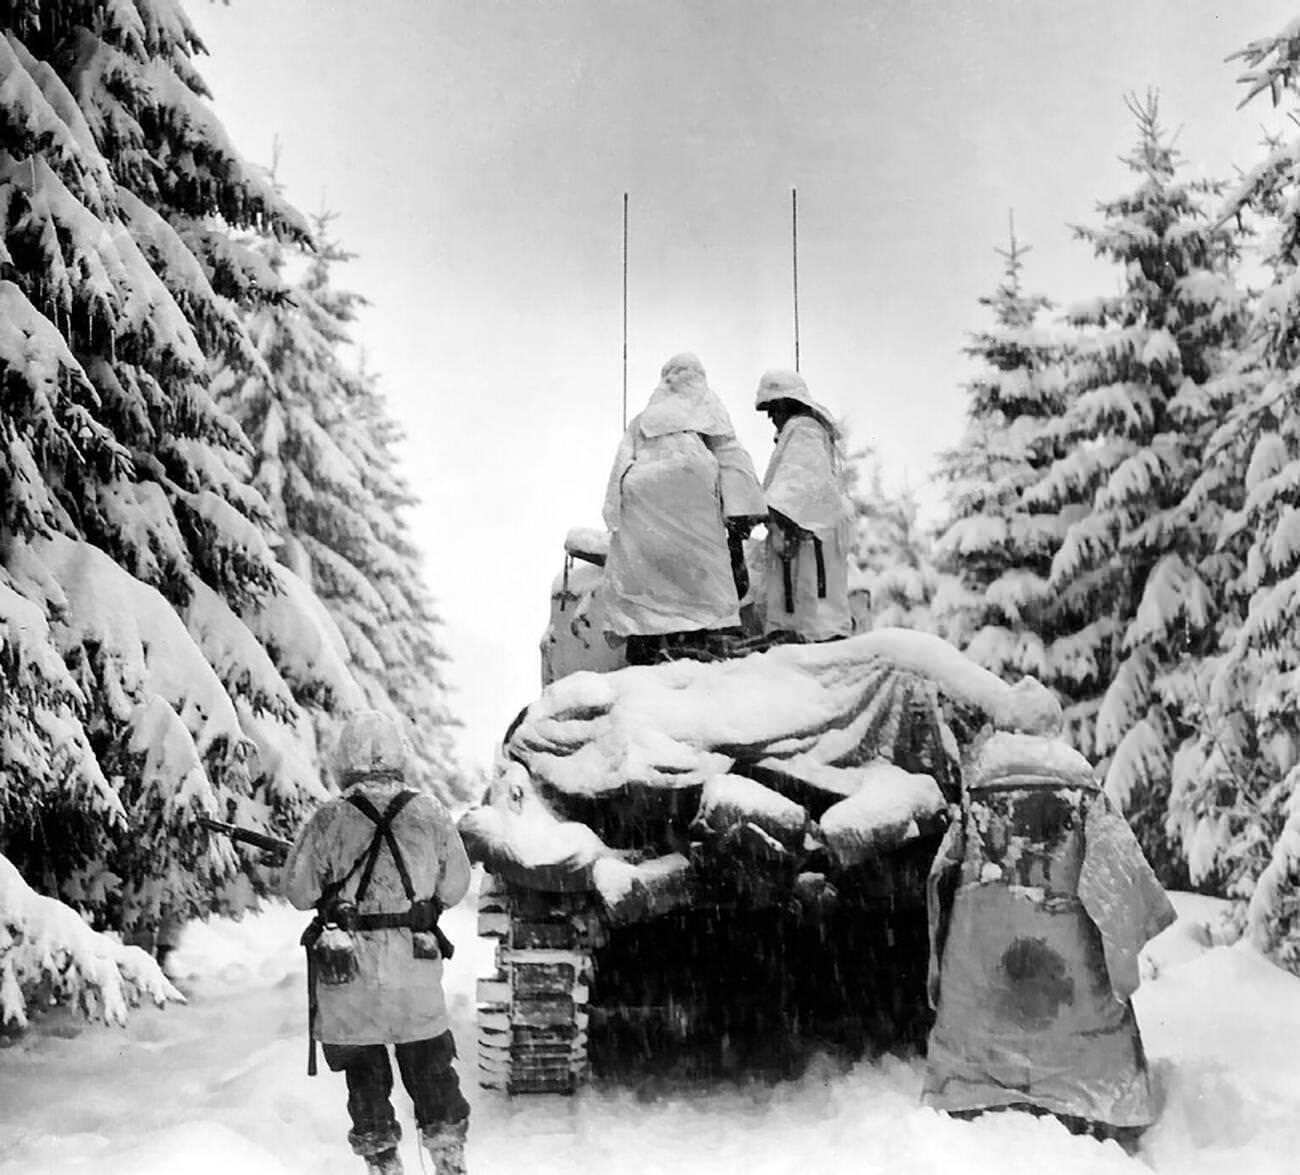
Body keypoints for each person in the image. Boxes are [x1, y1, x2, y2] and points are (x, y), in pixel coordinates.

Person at [923, 732, 1176, 1150]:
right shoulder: (1078, 787)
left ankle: (971, 1090)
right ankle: (1098, 1099)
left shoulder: (979, 790)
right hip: (1068, 950)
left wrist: (939, 968)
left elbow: (940, 879)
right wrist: (1123, 960)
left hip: (984, 945)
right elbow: (1118, 883)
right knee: (1087, 1015)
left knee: (976, 1014)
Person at [283, 710, 473, 1175]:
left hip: (352, 980)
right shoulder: (429, 812)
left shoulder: (329, 818)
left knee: (365, 1081)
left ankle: (384, 1166)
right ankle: (448, 1161)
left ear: (344, 757)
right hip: (415, 971)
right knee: (432, 1072)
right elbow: (455, 886)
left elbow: (299, 891)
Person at [601, 352, 766, 663]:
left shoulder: (645, 417)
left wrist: (614, 512)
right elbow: (733, 460)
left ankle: (650, 636)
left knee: (648, 579)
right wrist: (743, 518)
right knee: (707, 580)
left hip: (642, 493)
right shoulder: (707, 406)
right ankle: (703, 635)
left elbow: (620, 468)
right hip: (693, 489)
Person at [754, 369, 853, 641]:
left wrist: (764, 510)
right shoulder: (803, 433)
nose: (771, 418)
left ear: (786, 403)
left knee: (814, 622)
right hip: (809, 545)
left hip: (809, 547)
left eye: (773, 409)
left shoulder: (803, 430)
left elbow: (799, 487)